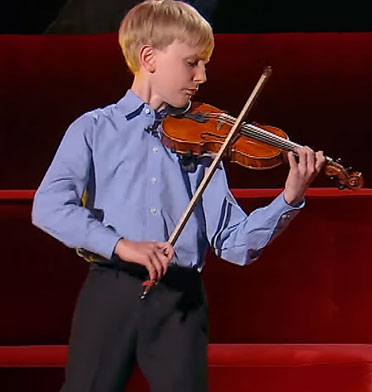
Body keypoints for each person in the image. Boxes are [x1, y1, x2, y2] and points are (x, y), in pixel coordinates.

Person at [31, 1, 325, 390]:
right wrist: (120, 245)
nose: (202, 75)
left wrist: (288, 199)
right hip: (110, 289)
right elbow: (48, 206)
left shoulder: (204, 144)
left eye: (205, 63)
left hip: (180, 300)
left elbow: (235, 244)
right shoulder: (94, 128)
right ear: (149, 58)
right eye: (192, 62)